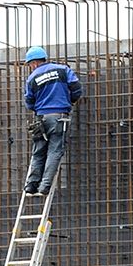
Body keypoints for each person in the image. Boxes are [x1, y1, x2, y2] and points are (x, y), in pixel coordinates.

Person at [22, 46, 83, 197]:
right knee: (54, 151)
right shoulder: (62, 70)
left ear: (34, 63)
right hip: (59, 116)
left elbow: (29, 101)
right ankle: (45, 186)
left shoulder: (32, 77)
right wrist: (71, 100)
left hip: (40, 119)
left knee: (38, 152)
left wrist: (39, 107)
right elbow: (76, 88)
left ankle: (31, 185)